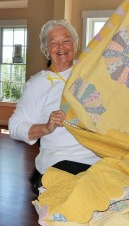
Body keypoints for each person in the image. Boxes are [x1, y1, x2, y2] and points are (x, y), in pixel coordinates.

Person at [9, 19, 100, 192]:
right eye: (54, 43)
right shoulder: (38, 83)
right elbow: (14, 127)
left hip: (96, 157)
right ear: (46, 49)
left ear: (74, 44)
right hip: (60, 159)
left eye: (66, 41)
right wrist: (46, 127)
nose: (61, 47)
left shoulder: (89, 74)